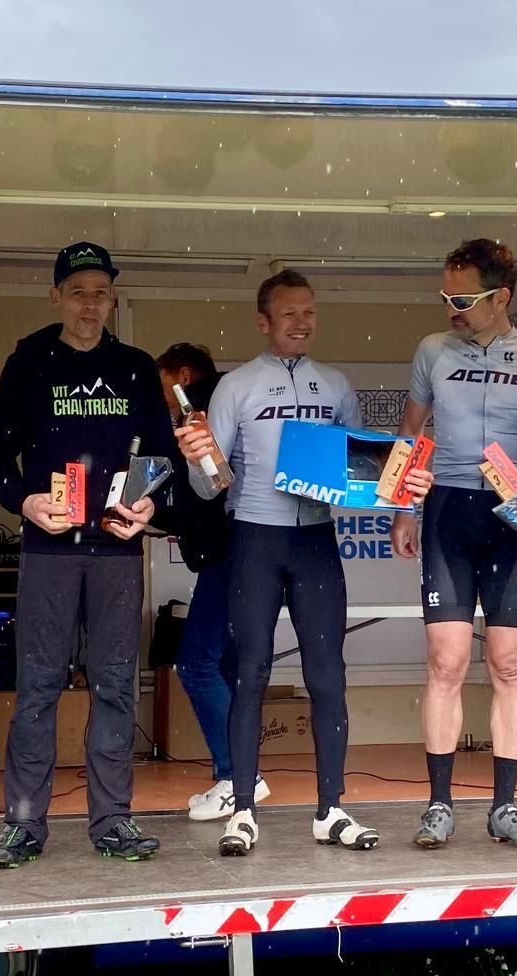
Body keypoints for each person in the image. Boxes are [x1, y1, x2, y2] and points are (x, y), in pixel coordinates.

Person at [175, 269, 431, 857]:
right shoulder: (236, 386)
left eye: (309, 312)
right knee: (251, 672)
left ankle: (330, 809)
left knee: (327, 674)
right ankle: (243, 810)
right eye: (289, 313)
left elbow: (357, 471)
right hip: (254, 540)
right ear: (263, 322)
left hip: (316, 541)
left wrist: (403, 490)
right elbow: (210, 483)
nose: (301, 323)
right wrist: (197, 458)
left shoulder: (336, 386)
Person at [0, 242, 180, 866]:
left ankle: (113, 820)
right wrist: (24, 501)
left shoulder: (135, 367)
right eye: (77, 292)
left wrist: (145, 504)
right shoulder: (29, 362)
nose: (89, 304)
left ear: (113, 298)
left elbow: (161, 455)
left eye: (100, 293)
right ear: (56, 297)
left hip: (117, 551)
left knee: (116, 685)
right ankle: (24, 822)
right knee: (38, 685)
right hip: (50, 551)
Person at [390, 239, 517, 851]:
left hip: (513, 514)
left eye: (464, 299)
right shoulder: (432, 350)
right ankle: (438, 805)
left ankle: (505, 806)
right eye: (446, 297)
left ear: (502, 297)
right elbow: (409, 434)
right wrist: (403, 507)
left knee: (509, 663)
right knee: (445, 661)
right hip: (448, 508)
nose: (452, 309)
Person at [153, 343, 270, 821]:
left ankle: (237, 777)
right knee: (223, 666)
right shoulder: (229, 404)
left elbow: (207, 491)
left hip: (228, 553)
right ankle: (239, 777)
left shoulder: (198, 414)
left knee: (196, 663)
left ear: (183, 376)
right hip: (245, 550)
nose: (162, 398)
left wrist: (152, 513)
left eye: (164, 385)